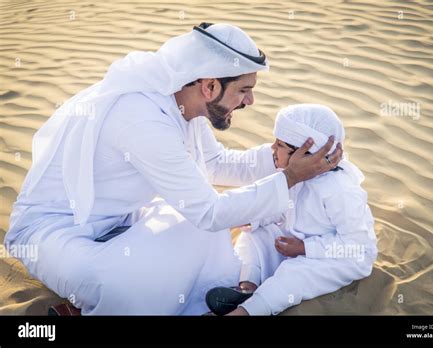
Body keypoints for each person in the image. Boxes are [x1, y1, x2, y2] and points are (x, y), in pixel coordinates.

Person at [4, 24, 343, 315]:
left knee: (204, 235)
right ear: (209, 86)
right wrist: (292, 176)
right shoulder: (142, 118)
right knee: (125, 285)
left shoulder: (183, 104)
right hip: (54, 233)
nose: (249, 102)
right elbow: (209, 212)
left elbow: (215, 164)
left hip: (121, 220)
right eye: (244, 91)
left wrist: (282, 157)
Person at [205, 104, 377, 316]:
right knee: (253, 236)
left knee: (294, 274)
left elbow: (358, 245)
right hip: (297, 240)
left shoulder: (339, 189)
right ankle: (247, 289)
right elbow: (286, 212)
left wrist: (305, 248)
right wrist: (258, 221)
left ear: (305, 153)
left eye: (279, 145)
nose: (272, 150)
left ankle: (245, 312)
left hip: (339, 256)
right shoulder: (296, 174)